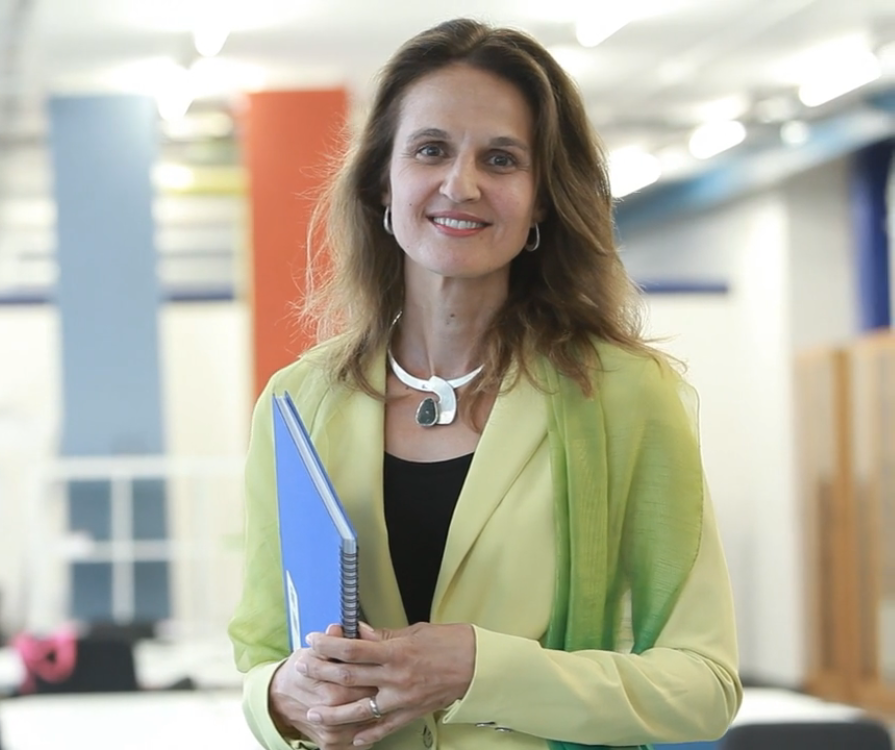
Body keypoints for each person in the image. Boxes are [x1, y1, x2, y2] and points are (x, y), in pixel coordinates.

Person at [228, 18, 742, 750]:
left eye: (501, 159)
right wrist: (284, 699)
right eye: (431, 149)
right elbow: (260, 652)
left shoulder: (625, 397)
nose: (460, 184)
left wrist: (480, 669)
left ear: (540, 199)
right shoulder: (296, 404)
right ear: (383, 178)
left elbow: (704, 687)